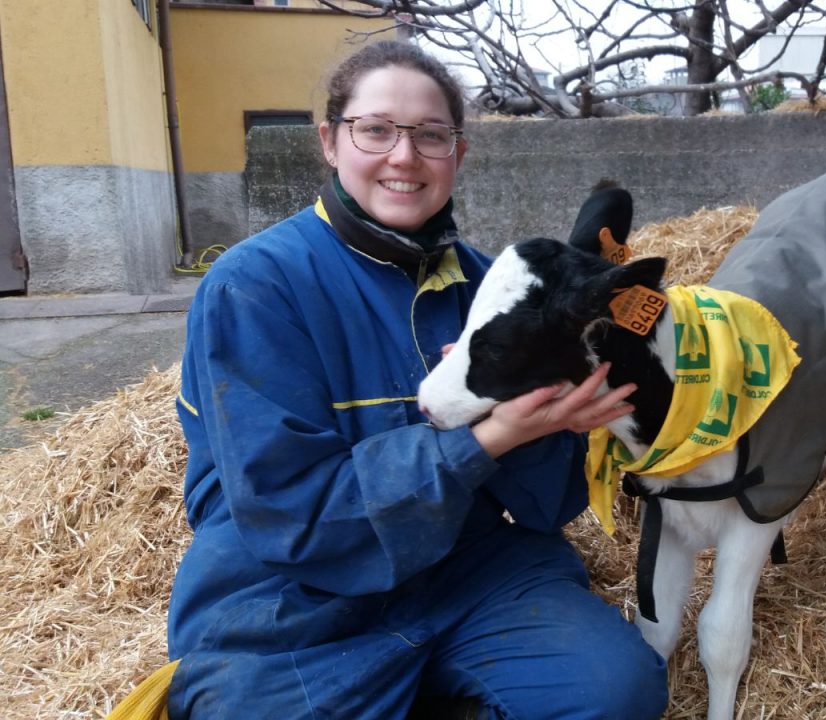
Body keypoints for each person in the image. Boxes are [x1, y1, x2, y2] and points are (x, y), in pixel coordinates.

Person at [165, 40, 669, 720]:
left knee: (614, 689)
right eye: (375, 130)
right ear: (330, 142)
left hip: (470, 570)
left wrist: (556, 425)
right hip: (292, 600)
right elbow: (290, 514)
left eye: (431, 136)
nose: (404, 157)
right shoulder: (256, 288)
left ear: (458, 154)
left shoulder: (498, 289)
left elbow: (547, 509)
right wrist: (484, 441)